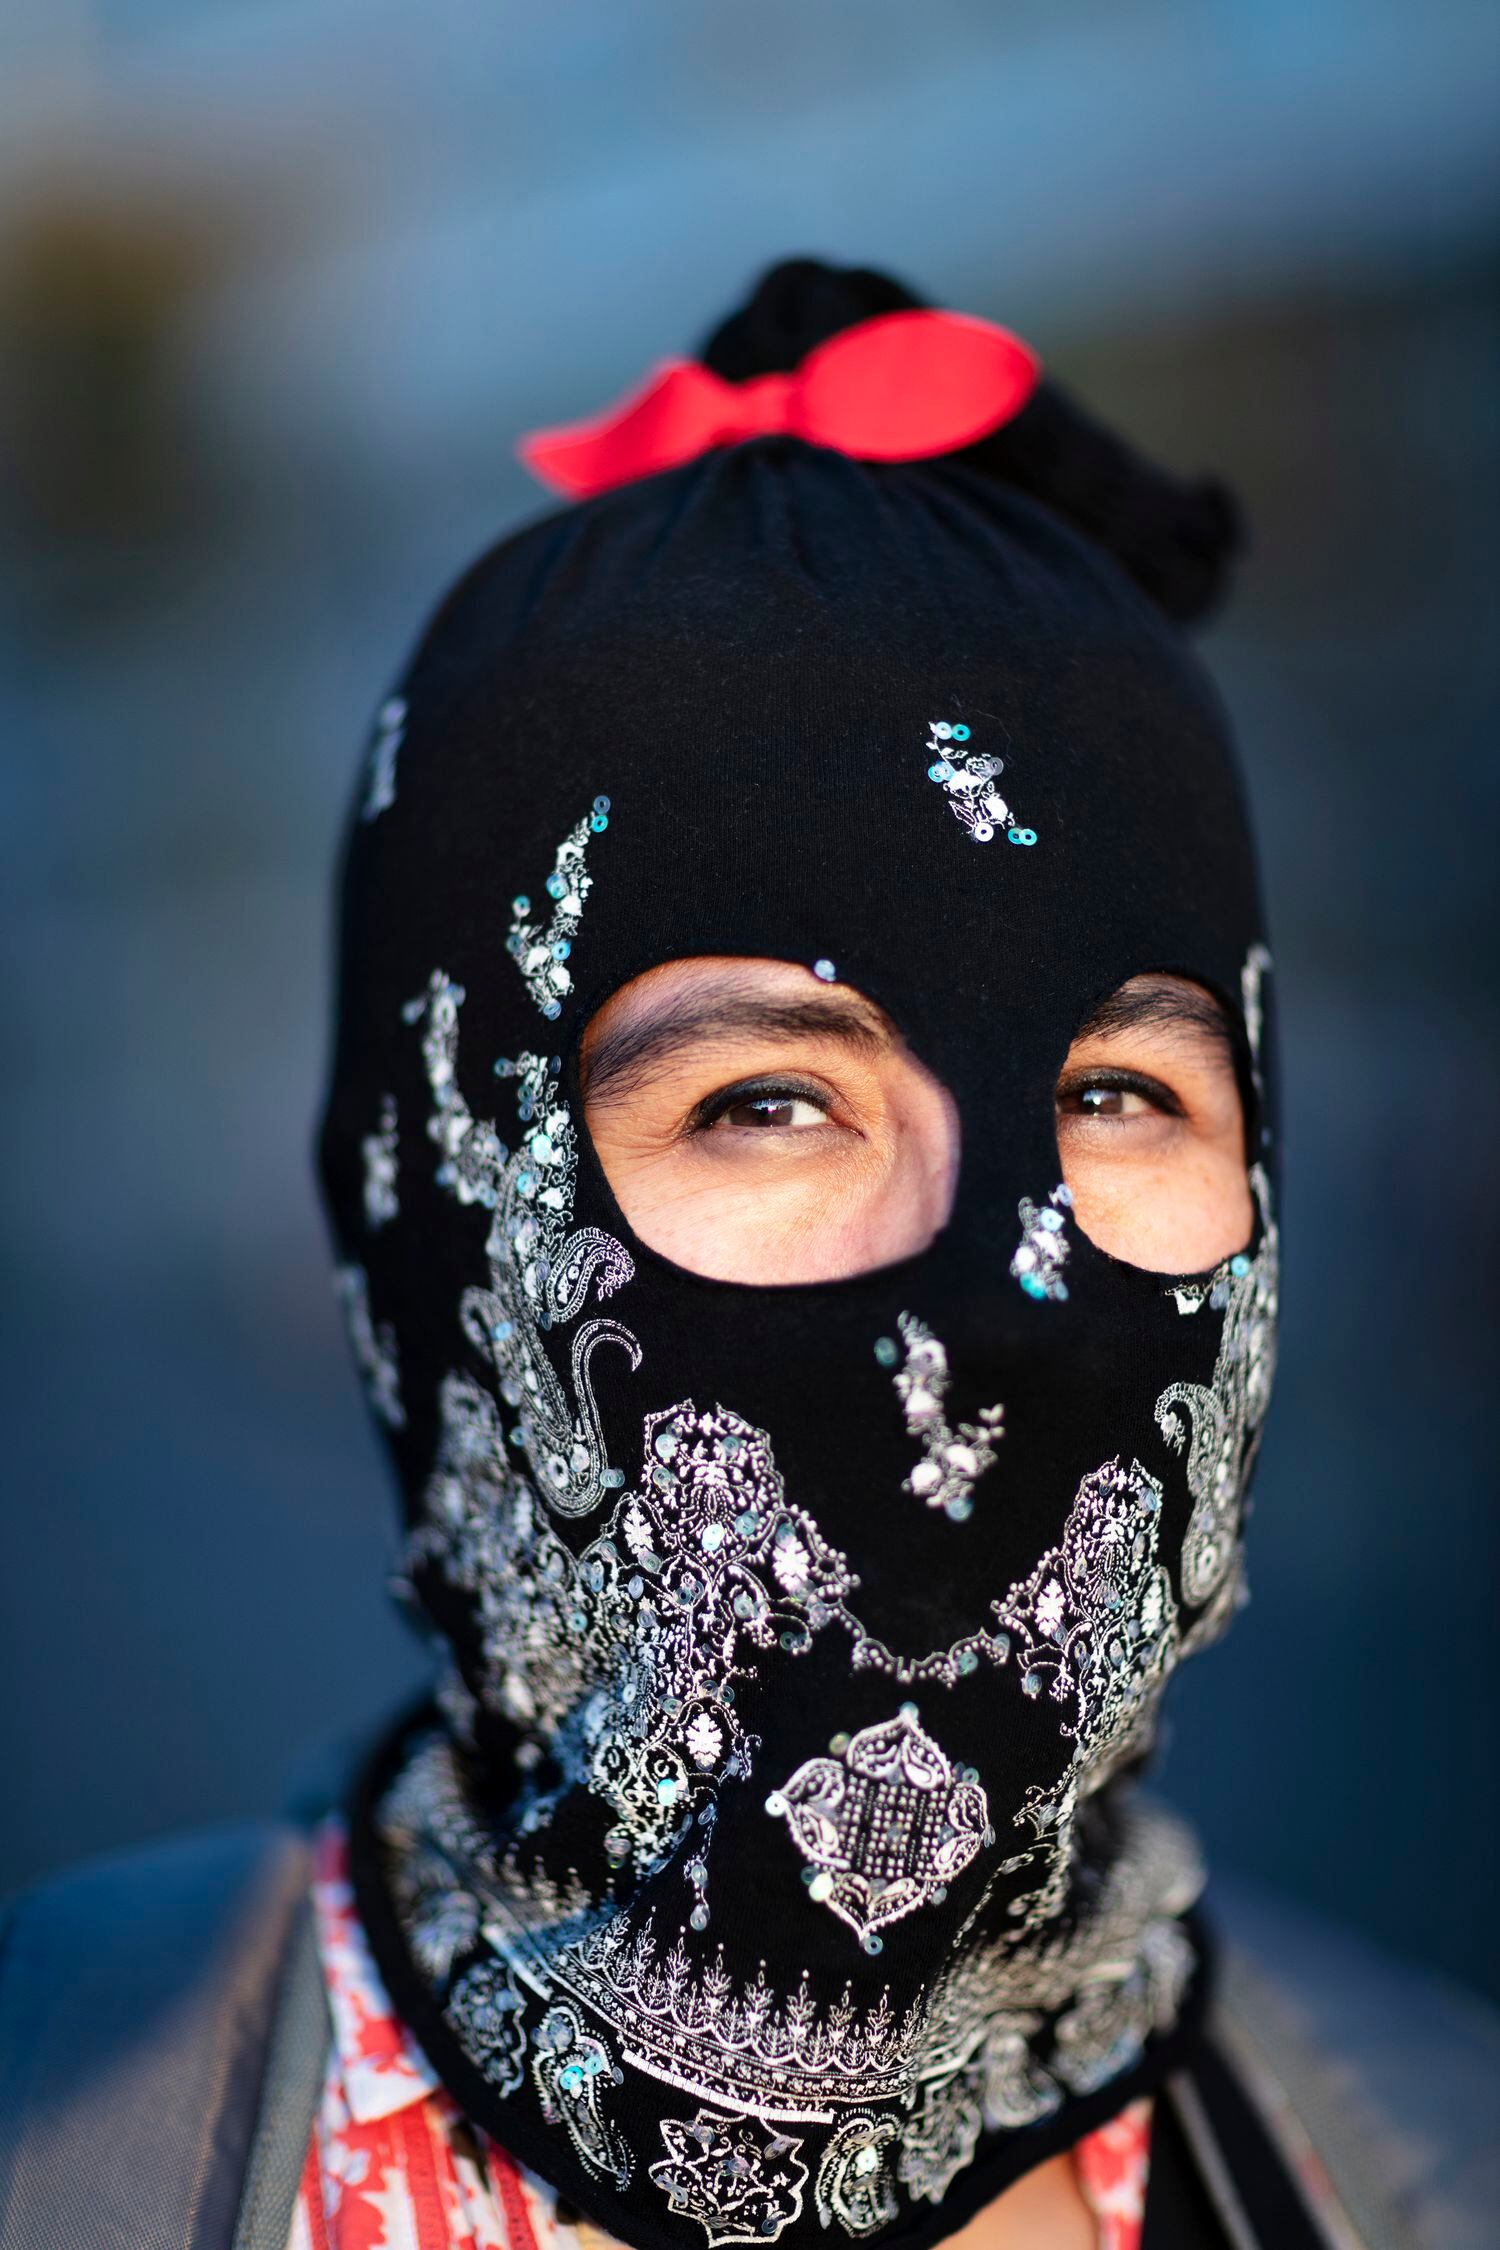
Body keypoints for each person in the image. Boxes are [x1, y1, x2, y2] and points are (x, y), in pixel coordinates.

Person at [2, 261, 1494, 2250]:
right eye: (767, 1102)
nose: (997, 1303)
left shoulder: (1428, 2152)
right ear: (440, 1218)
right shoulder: (66, 2121)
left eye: (1125, 1096)